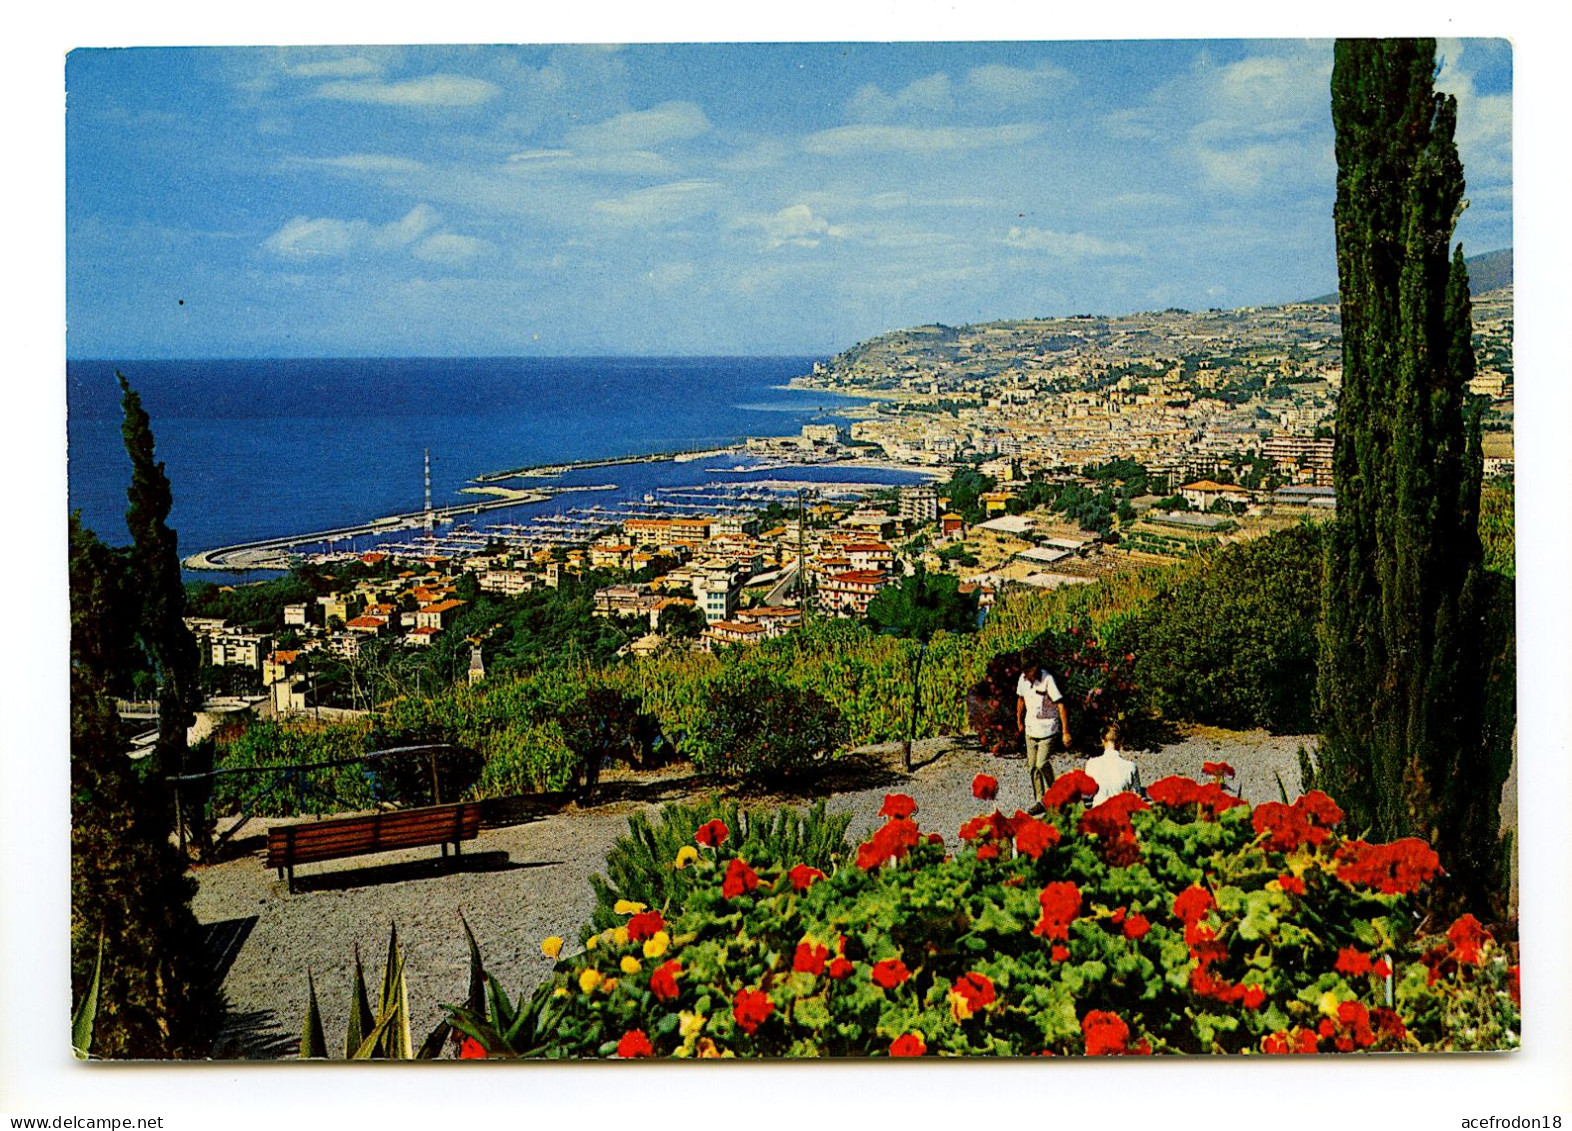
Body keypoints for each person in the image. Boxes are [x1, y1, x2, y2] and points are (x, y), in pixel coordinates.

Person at [1016, 656, 1070, 811]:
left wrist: (1065, 732)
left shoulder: (1047, 679)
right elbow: (1020, 700)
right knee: (1032, 767)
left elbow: (1060, 705)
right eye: (1023, 671)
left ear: (1035, 666)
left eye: (1028, 671)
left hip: (1048, 728)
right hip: (1031, 727)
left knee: (1042, 763)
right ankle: (1040, 800)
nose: (1025, 674)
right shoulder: (1023, 679)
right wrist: (1019, 721)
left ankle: (1057, 794)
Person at [1084, 722, 1144, 805]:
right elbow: (1136, 797)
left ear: (1102, 740)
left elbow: (1087, 796)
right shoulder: (1131, 767)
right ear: (1121, 740)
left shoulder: (1091, 764)